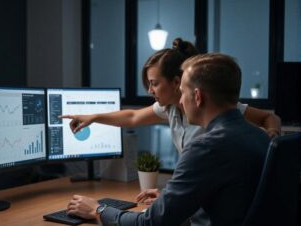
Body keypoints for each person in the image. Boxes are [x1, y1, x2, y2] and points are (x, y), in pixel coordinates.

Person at [61, 38, 280, 225]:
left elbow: (150, 223)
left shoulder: (205, 146)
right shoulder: (258, 137)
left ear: (197, 96)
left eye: (183, 92)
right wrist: (175, 197)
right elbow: (227, 195)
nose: (181, 101)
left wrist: (98, 210)